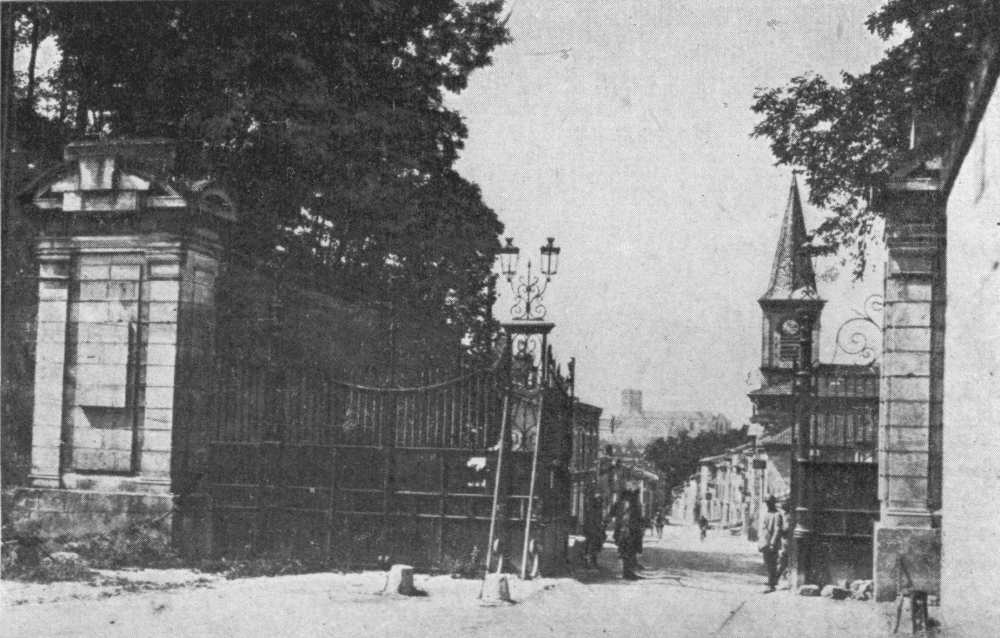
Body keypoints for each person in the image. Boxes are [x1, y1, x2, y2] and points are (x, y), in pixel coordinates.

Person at [612, 489, 643, 579]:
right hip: (628, 532)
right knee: (629, 552)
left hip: (623, 532)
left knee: (626, 553)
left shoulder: (619, 504)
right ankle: (627, 573)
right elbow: (629, 520)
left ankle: (627, 572)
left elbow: (613, 515)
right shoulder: (630, 506)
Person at [758, 494, 785, 593]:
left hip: (772, 543)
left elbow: (777, 530)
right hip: (766, 542)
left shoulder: (777, 515)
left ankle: (771, 584)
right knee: (767, 563)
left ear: (773, 503)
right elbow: (764, 528)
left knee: (772, 564)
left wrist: (772, 543)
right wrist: (761, 541)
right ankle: (771, 581)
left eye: (769, 503)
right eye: (767, 503)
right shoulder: (767, 514)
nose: (768, 505)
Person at [582, 493, 606, 569]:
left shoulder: (597, 510)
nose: (599, 503)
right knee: (591, 547)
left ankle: (593, 562)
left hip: (594, 531)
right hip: (592, 531)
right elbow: (593, 520)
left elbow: (599, 521)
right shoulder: (592, 510)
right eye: (598, 501)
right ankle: (588, 563)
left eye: (600, 501)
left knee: (594, 547)